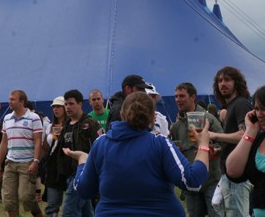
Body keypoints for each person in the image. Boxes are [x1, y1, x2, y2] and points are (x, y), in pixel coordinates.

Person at [64, 91, 211, 217]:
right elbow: (193, 181)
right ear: (153, 116)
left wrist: (82, 161)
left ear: (122, 114)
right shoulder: (159, 143)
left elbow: (83, 190)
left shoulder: (101, 144)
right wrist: (203, 145)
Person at [169, 82, 224, 217]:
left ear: (193, 97)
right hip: (191, 184)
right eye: (176, 96)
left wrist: (213, 149)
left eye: (182, 96)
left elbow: (223, 142)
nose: (177, 100)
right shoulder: (176, 127)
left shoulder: (208, 119)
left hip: (211, 180)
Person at [209, 66, 253, 216]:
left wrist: (215, 135)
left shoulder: (241, 103)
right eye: (220, 81)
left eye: (227, 80)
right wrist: (221, 149)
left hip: (238, 177)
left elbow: (245, 135)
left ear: (237, 82)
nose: (222, 84)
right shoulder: (230, 106)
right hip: (229, 174)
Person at [0, 90, 44, 217]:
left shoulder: (34, 118)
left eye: (12, 99)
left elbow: (38, 141)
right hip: (10, 163)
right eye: (9, 99)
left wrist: (35, 161)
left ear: (22, 101)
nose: (9, 102)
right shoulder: (7, 118)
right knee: (8, 199)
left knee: (26, 197)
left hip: (27, 163)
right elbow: (4, 143)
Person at [58, 89, 100, 217]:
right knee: (86, 212)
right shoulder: (66, 126)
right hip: (70, 174)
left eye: (71, 104)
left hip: (84, 174)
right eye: (66, 104)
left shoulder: (91, 123)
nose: (68, 107)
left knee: (69, 212)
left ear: (80, 104)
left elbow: (100, 147)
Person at [226, 85, 265, 217]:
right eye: (257, 109)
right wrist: (250, 131)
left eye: (264, 109)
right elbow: (232, 171)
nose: (260, 114)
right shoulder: (259, 139)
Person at [43, 96, 68, 217]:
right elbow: (48, 147)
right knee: (52, 205)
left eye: (58, 106)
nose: (55, 109)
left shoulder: (72, 125)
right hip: (53, 168)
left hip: (68, 166)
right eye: (54, 107)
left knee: (73, 205)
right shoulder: (50, 126)